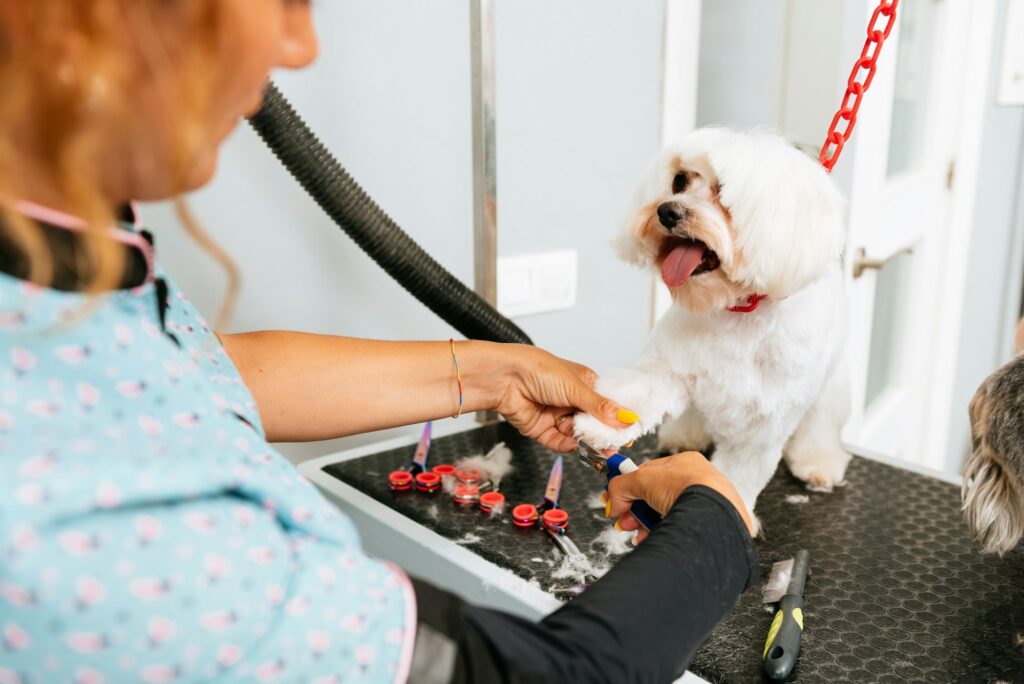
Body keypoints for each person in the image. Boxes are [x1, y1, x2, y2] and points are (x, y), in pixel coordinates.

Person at [0, 2, 757, 683]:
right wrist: (714, 522)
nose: (299, 46)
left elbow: (199, 375)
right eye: (284, 2)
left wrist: (498, 375)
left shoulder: (62, 259)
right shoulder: (78, 511)